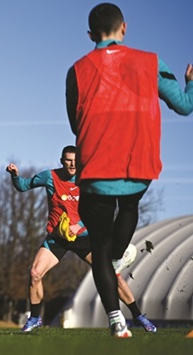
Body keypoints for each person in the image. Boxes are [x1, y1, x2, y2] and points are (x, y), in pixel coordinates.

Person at [66, 3, 193, 337]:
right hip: (139, 165)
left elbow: (73, 123)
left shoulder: (77, 70)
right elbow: (183, 105)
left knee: (101, 249)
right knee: (130, 206)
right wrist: (191, 83)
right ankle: (118, 260)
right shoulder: (151, 62)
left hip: (95, 167)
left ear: (91, 35)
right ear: (124, 27)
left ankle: (115, 319)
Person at [6, 146, 157, 334]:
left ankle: (138, 316)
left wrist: (81, 226)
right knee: (35, 273)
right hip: (58, 238)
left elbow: (101, 213)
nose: (72, 164)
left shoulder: (88, 181)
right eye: (68, 160)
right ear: (62, 161)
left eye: (76, 160)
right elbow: (23, 186)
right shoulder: (50, 176)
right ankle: (35, 318)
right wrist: (14, 175)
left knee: (112, 276)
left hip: (85, 239)